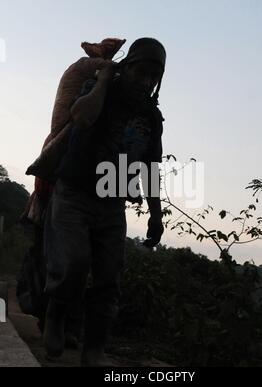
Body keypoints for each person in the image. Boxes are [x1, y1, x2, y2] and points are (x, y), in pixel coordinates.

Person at [43, 37, 167, 367]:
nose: (145, 81)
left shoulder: (152, 118)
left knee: (109, 278)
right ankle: (56, 312)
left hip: (112, 204)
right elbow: (81, 117)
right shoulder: (98, 91)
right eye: (139, 71)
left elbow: (151, 167)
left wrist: (156, 215)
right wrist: (102, 81)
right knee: (74, 261)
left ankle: (94, 348)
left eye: (153, 76)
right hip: (74, 194)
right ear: (126, 68)